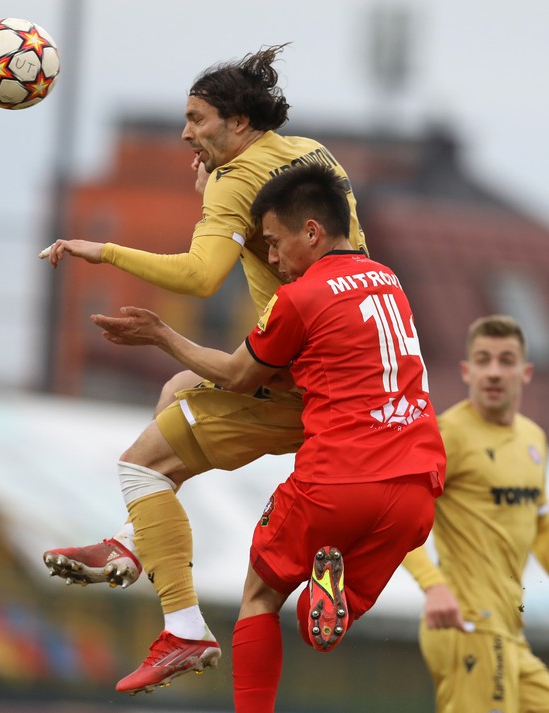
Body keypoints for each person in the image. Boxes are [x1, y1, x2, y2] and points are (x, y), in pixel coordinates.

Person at [38, 45, 369, 693]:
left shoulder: (233, 179)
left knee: (141, 464)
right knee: (178, 389)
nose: (186, 133)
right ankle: (135, 541)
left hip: (296, 369)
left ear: (238, 123)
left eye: (198, 119)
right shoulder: (313, 152)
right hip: (352, 360)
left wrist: (101, 250)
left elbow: (199, 275)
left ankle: (185, 628)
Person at [92, 164, 445, 712]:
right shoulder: (389, 280)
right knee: (321, 620)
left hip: (338, 480)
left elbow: (237, 375)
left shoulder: (300, 298)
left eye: (276, 242)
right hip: (417, 487)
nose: (272, 257)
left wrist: (161, 335)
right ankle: (331, 597)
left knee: (260, 595)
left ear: (311, 232)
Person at [401, 315, 549, 713]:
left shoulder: (533, 438)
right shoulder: (449, 435)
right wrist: (433, 585)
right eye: (483, 360)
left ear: (526, 372)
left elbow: (542, 523)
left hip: (508, 632)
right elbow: (396, 514)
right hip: (468, 624)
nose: (494, 372)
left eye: (506, 360)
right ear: (467, 370)